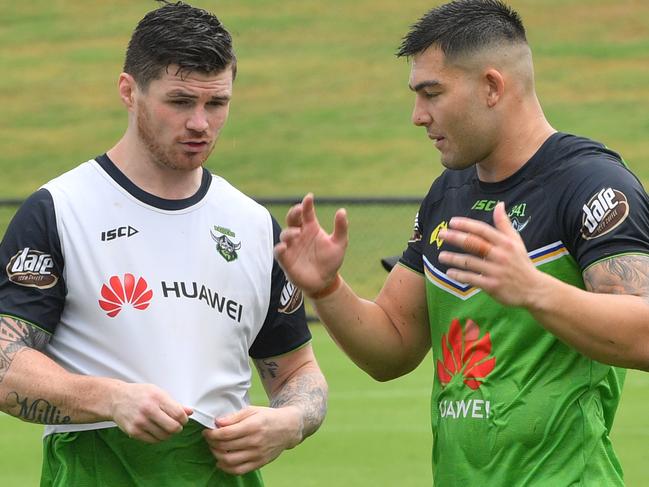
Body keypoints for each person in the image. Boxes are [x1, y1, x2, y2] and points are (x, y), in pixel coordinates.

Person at [274, 0, 649, 485]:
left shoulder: (592, 184)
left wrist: (533, 289)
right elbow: (392, 348)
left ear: (492, 86)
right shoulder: (445, 195)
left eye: (432, 93)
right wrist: (327, 288)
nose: (417, 115)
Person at [0, 2, 327, 486]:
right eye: (180, 102)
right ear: (128, 91)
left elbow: (298, 370)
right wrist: (112, 399)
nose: (201, 122)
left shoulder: (252, 224)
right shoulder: (60, 209)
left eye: (216, 103)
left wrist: (290, 422)